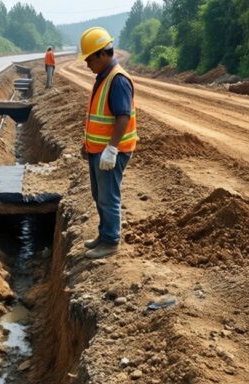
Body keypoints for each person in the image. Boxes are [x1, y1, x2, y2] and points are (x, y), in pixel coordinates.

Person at [78, 27, 137, 259]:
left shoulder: (118, 80)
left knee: (108, 196)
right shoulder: (103, 77)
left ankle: (111, 241)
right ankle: (104, 235)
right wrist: (88, 143)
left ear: (103, 54)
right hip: (97, 150)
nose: (87, 64)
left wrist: (111, 149)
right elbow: (99, 117)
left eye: (89, 59)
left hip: (112, 151)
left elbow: (122, 117)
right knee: (98, 195)